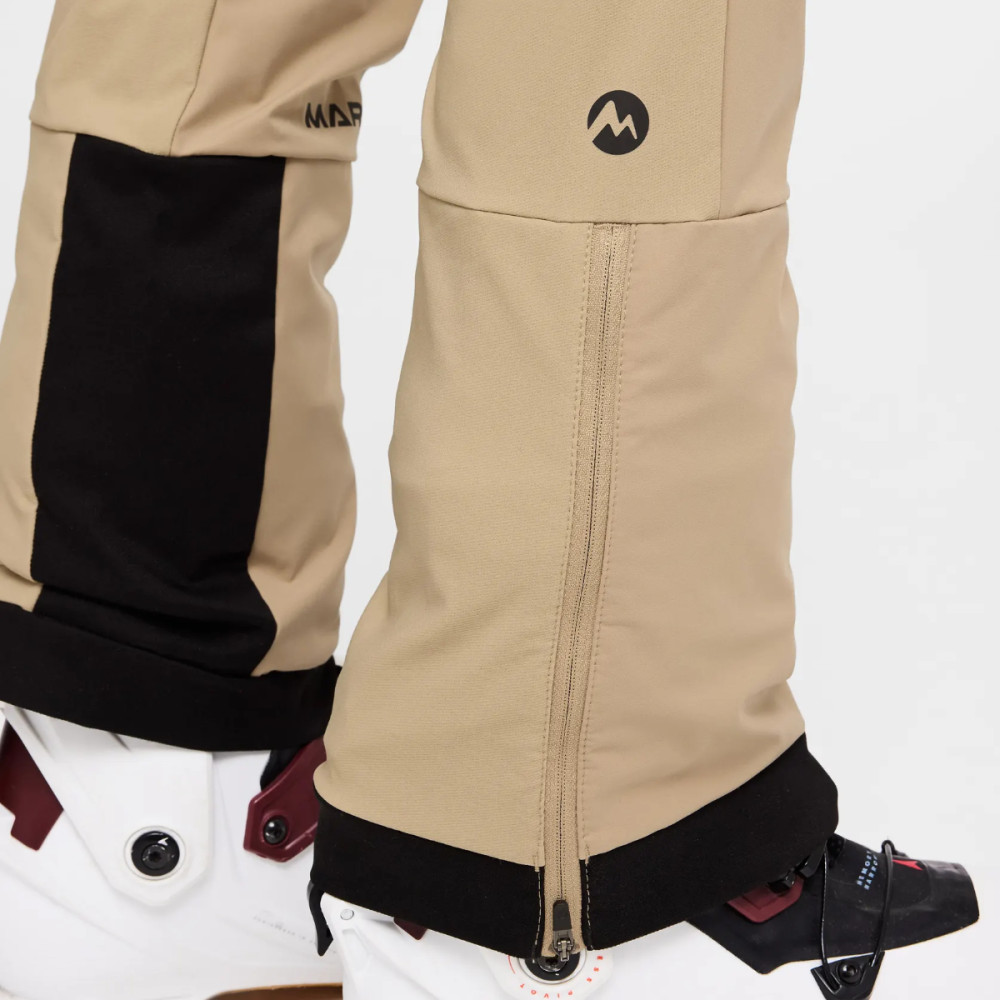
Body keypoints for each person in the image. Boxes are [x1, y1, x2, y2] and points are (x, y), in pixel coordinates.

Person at [0, 2, 979, 999]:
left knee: (217, 34)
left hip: (98, 721)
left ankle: (142, 752)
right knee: (627, 38)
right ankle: (554, 890)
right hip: (561, 892)